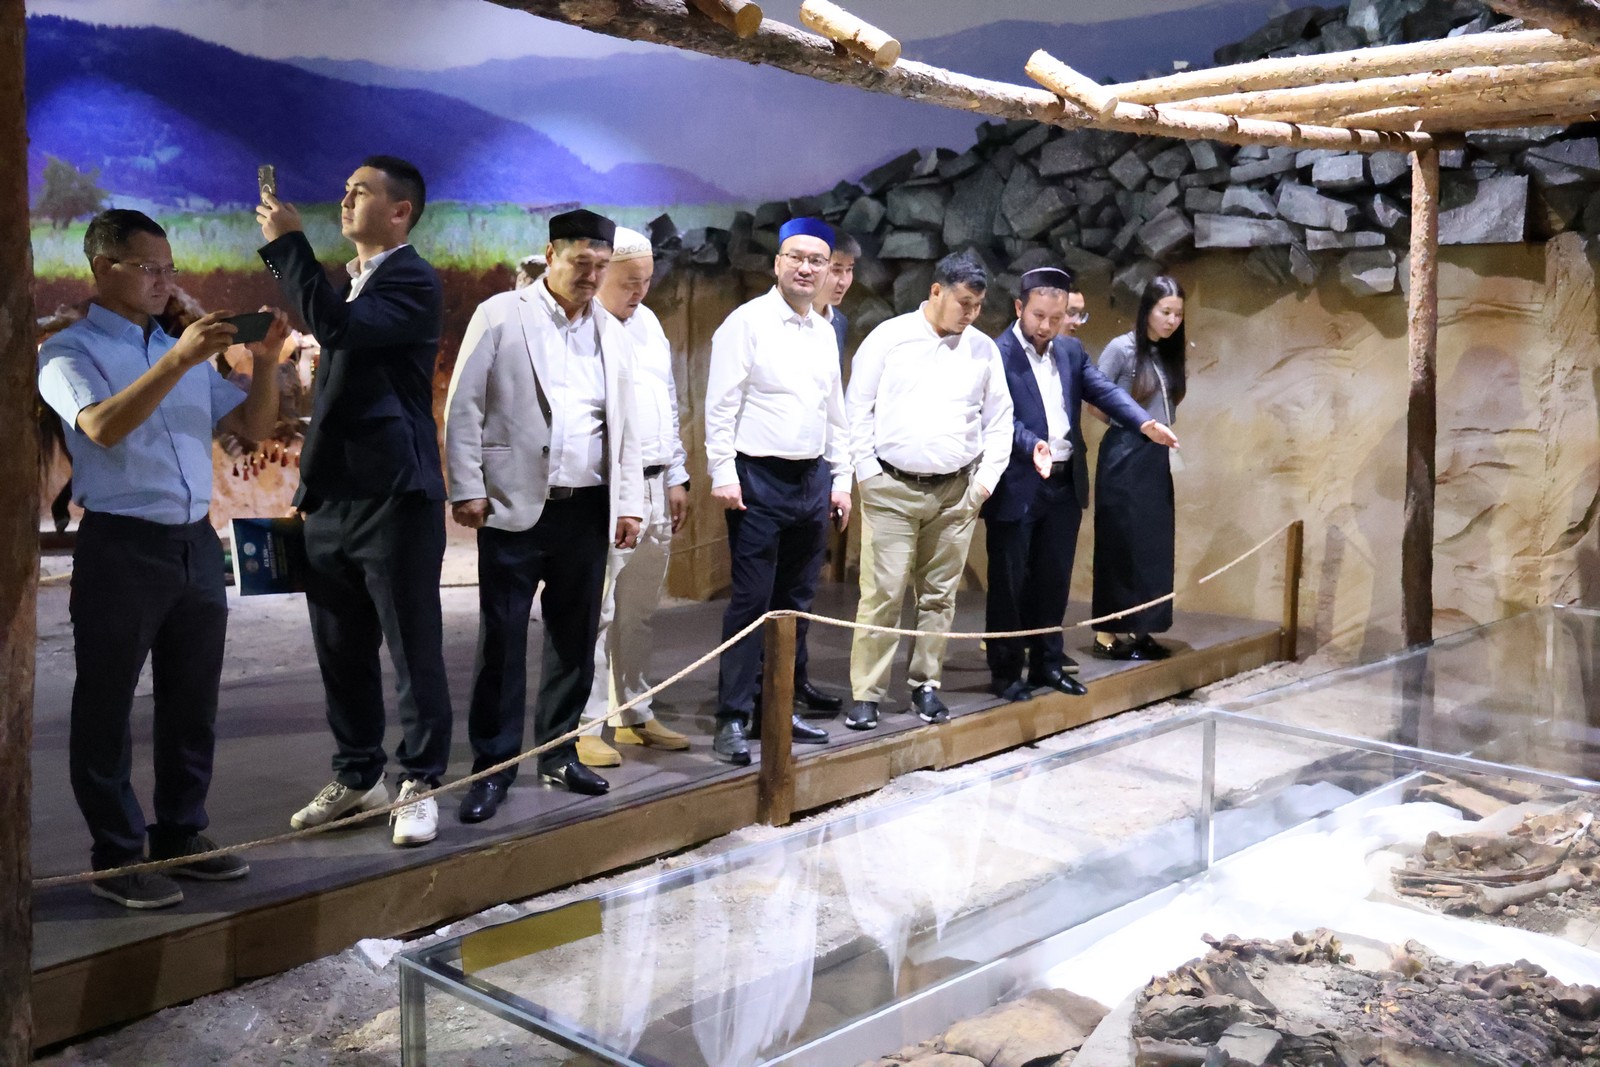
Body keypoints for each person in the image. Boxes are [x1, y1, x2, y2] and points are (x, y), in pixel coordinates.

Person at [39, 208, 285, 908]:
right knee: (106, 705)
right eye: (148, 268)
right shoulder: (68, 352)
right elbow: (101, 426)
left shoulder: (176, 348)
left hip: (194, 541)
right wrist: (179, 360)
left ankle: (180, 832)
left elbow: (250, 426)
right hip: (121, 545)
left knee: (192, 701)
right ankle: (117, 856)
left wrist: (267, 362)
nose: (163, 282)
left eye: (168, 269)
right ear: (103, 267)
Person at [257, 155, 453, 848]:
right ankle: (358, 773)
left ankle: (422, 780)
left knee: (412, 648)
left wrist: (288, 244)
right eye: (344, 190)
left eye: (360, 192)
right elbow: (337, 390)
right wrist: (307, 488)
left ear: (400, 212)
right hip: (333, 499)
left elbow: (336, 328)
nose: (344, 200)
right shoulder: (353, 284)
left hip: (394, 496)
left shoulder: (411, 280)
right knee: (339, 648)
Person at [445, 208, 643, 820]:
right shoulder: (501, 314)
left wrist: (629, 502)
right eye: (581, 262)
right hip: (514, 503)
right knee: (502, 641)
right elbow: (464, 405)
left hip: (587, 506)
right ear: (551, 254)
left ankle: (558, 752)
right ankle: (493, 766)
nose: (591, 276)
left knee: (574, 638)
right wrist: (466, 486)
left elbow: (627, 425)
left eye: (601, 266)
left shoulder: (612, 329)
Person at [983, 267, 1178, 702]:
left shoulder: (1071, 351)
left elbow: (1104, 391)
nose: (1047, 326)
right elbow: (995, 417)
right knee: (1010, 583)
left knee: (1053, 580)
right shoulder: (995, 353)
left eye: (1056, 318)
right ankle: (1006, 672)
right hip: (1019, 480)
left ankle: (1048, 664)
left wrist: (1143, 422)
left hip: (1063, 481)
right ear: (1019, 307)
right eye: (1039, 316)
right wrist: (1031, 444)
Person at [842, 250, 1012, 731]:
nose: (971, 313)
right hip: (891, 487)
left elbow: (1000, 420)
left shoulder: (983, 350)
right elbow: (857, 409)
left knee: (939, 596)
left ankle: (926, 684)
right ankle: (867, 693)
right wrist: (867, 474)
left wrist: (983, 484)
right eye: (964, 303)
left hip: (957, 492)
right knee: (883, 593)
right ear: (936, 291)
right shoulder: (889, 338)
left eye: (978, 305)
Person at [705, 217, 853, 766]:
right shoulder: (745, 323)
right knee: (750, 601)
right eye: (797, 257)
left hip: (811, 480)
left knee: (797, 603)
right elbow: (721, 404)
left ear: (828, 269)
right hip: (757, 479)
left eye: (817, 261)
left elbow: (835, 412)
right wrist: (722, 471)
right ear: (777, 263)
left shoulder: (824, 331)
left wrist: (841, 480)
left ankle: (778, 707)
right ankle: (732, 715)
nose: (806, 268)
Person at [574, 227, 692, 769]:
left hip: (654, 480)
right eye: (629, 282)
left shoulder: (648, 323)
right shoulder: (585, 327)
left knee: (639, 609)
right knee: (597, 610)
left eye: (646, 281)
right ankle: (585, 723)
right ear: (602, 275)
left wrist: (676, 475)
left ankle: (635, 710)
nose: (640, 292)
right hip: (608, 487)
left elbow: (667, 398)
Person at [1092, 275, 1188, 661]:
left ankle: (1142, 628)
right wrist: (1131, 427)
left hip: (1155, 458)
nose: (1172, 321)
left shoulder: (1167, 352)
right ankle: (1107, 632)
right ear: (1147, 309)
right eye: (1165, 312)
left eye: (1178, 314)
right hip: (1124, 454)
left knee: (1152, 546)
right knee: (1120, 542)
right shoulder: (1121, 348)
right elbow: (1095, 402)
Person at [811, 232, 859, 357]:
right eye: (836, 270)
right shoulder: (770, 317)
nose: (844, 282)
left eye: (849, 270)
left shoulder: (839, 322)